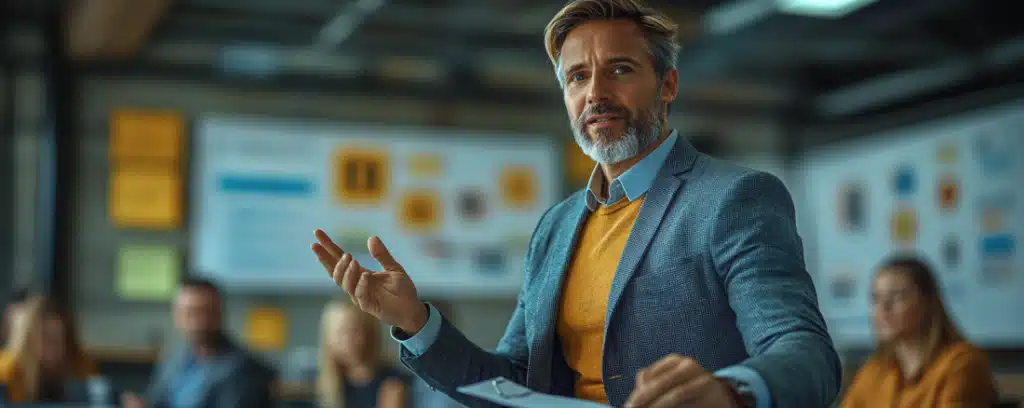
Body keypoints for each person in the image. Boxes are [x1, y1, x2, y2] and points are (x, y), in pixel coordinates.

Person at [310, 0, 840, 407]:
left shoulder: (734, 198)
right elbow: (511, 384)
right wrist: (415, 321)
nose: (596, 93)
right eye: (577, 77)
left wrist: (733, 392)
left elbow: (805, 352)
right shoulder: (555, 227)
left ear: (668, 84)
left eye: (621, 70)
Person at [840, 256, 996, 408]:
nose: (883, 308)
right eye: (875, 298)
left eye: (896, 296)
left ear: (927, 302)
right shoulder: (874, 370)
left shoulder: (962, 363)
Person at [121, 278, 276, 408]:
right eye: (190, 313)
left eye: (207, 312)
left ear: (220, 314)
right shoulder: (175, 359)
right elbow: (158, 401)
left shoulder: (245, 369)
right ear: (177, 316)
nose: (199, 322)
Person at [0, 295, 98, 402]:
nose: (57, 349)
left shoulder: (80, 366)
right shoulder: (7, 371)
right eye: (48, 339)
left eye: (63, 339)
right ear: (29, 340)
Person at [317, 300, 409, 408]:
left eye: (354, 331)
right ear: (328, 338)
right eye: (340, 332)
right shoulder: (326, 384)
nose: (348, 340)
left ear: (370, 333)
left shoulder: (392, 383)